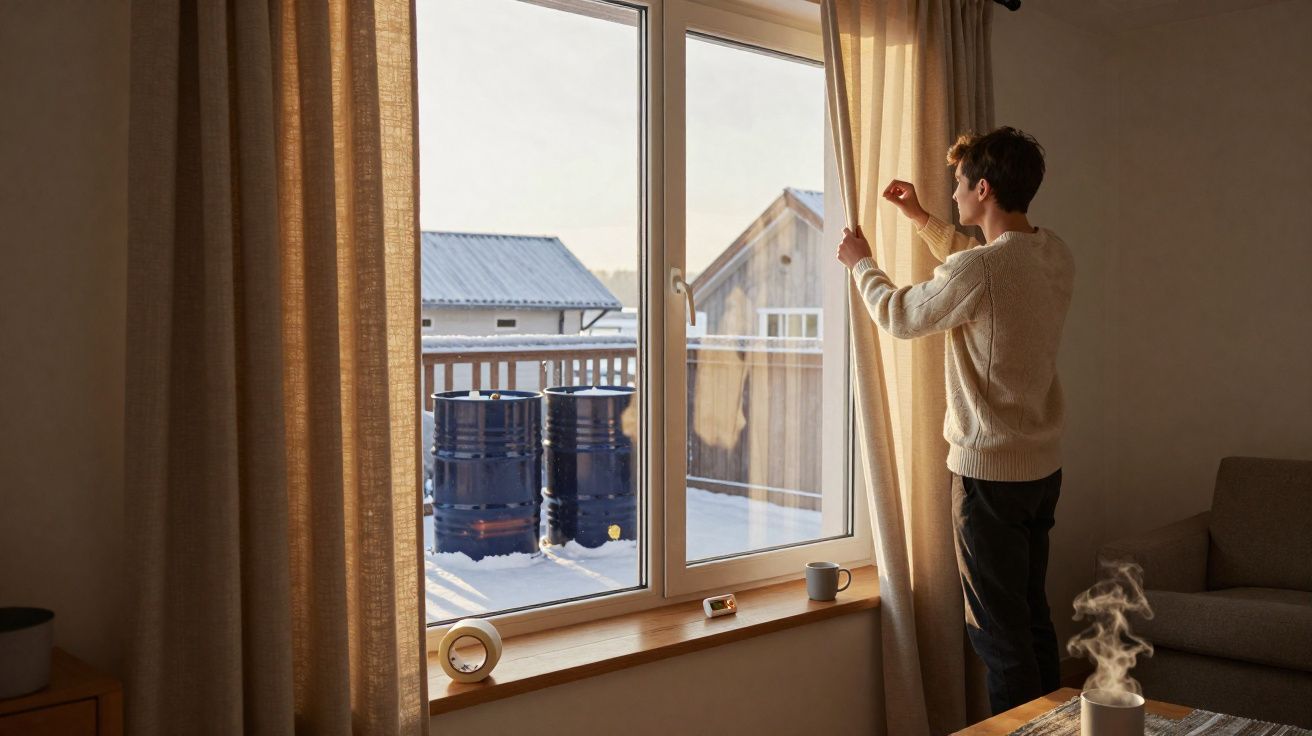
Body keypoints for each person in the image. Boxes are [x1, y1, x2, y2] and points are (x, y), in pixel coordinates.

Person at [835, 126, 1074, 715]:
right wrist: (918, 217)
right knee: (1032, 619)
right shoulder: (1053, 253)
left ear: (984, 189)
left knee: (999, 637)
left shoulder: (983, 271)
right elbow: (981, 266)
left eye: (959, 186)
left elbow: (899, 313)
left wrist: (861, 264)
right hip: (1041, 469)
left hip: (989, 476)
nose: (955, 196)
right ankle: (1056, 728)